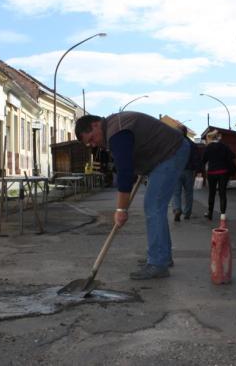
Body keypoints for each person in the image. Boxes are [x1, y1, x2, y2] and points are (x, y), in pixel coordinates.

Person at [75, 112, 189, 280]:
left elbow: (125, 173)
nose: (93, 144)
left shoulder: (117, 132)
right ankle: (161, 257)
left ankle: (158, 263)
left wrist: (121, 209)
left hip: (171, 153)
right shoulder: (115, 129)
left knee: (153, 206)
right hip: (165, 154)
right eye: (89, 143)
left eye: (91, 139)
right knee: (154, 206)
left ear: (95, 125)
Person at [201, 130, 236, 221]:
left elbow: (203, 160)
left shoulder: (208, 148)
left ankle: (210, 214)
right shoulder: (224, 146)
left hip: (212, 173)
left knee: (211, 193)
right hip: (223, 172)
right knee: (222, 193)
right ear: (217, 137)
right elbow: (233, 156)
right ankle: (223, 215)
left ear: (210, 138)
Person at [171, 125, 201, 221]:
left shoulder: (173, 144)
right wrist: (198, 171)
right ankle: (187, 213)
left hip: (176, 171)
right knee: (188, 193)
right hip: (189, 171)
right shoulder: (192, 144)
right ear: (186, 132)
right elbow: (196, 158)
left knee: (176, 193)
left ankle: (177, 209)